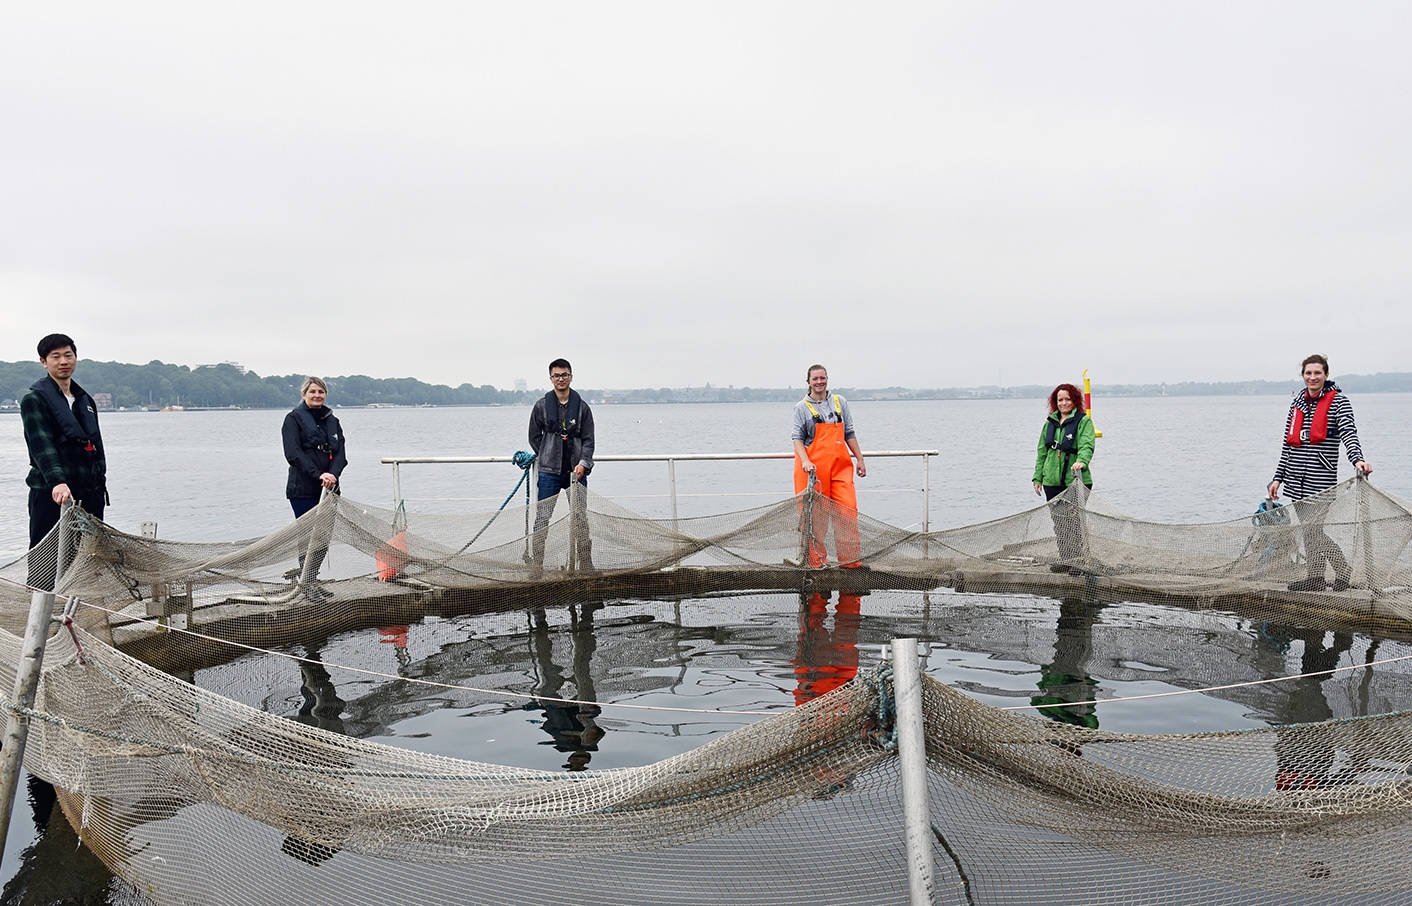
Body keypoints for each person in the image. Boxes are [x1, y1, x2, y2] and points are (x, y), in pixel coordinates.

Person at [1268, 354, 1372, 592]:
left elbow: (1349, 433)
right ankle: (1315, 577)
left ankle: (1342, 570)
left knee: (1314, 530)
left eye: (1317, 373)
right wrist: (1278, 477)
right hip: (1295, 479)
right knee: (1308, 531)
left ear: (1326, 374)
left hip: (1321, 479)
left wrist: (1358, 459)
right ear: (1303, 375)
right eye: (1308, 373)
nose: (1312, 377)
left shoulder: (1339, 402)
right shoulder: (1296, 404)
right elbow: (1287, 445)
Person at [22, 333, 108, 590]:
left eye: (68, 355)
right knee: (45, 557)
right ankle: (40, 610)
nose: (63, 361)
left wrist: (100, 482)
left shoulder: (85, 400)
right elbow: (41, 445)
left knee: (88, 559)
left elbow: (96, 445)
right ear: (43, 362)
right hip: (51, 492)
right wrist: (57, 481)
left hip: (88, 492)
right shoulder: (35, 400)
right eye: (55, 356)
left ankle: (80, 610)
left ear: (75, 358)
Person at [791, 364, 866, 568]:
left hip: (841, 468)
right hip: (813, 471)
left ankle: (850, 562)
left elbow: (849, 433)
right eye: (815, 379)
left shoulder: (840, 402)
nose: (819, 382)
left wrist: (859, 459)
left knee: (847, 512)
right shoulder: (801, 407)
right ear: (808, 382)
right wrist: (805, 461)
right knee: (816, 518)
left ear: (827, 379)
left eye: (822, 378)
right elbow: (797, 439)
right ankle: (816, 563)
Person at [528, 358, 595, 570]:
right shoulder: (541, 406)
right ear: (551, 379)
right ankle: (537, 567)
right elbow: (534, 437)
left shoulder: (583, 408)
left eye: (564, 375)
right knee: (542, 519)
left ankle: (586, 565)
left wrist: (583, 463)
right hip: (549, 472)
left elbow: (589, 441)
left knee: (580, 518)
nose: (561, 379)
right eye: (556, 375)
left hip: (577, 473)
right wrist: (546, 454)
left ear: (571, 377)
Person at [282, 376, 347, 590]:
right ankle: (306, 582)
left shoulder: (333, 421)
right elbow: (293, 453)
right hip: (303, 488)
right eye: (312, 392)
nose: (317, 395)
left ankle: (312, 578)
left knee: (323, 536)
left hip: (330, 488)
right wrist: (319, 474)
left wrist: (333, 474)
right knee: (307, 536)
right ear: (304, 395)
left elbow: (341, 454)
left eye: (321, 392)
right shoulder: (292, 419)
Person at [1032, 383, 1095, 575]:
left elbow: (1087, 445)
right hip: (1052, 481)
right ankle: (1066, 559)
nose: (1064, 403)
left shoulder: (1083, 421)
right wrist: (1037, 478)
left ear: (1074, 400)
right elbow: (1041, 453)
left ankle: (1078, 562)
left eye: (1067, 399)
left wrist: (1081, 461)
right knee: (1060, 523)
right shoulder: (1049, 423)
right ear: (1055, 402)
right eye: (1060, 400)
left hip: (1075, 480)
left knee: (1073, 521)